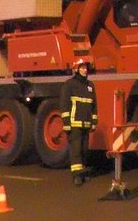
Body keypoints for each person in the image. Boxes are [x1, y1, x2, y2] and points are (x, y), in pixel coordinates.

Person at [60, 58, 98, 186]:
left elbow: (94, 106)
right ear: (76, 69)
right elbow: (64, 105)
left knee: (84, 150)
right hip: (74, 123)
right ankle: (77, 175)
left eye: (86, 68)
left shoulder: (90, 86)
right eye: (82, 67)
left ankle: (83, 171)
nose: (85, 70)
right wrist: (66, 123)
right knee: (75, 150)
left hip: (86, 123)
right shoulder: (69, 85)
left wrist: (94, 121)